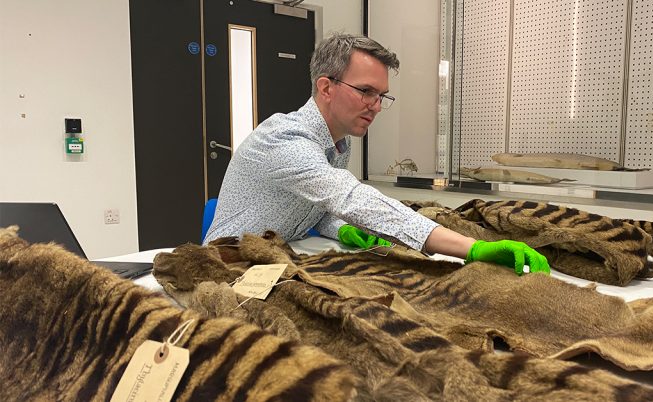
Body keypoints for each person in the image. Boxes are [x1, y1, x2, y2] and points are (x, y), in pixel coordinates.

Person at [204, 33, 549, 275]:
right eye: (366, 91)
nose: (376, 106)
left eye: (382, 95)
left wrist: (342, 230)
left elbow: (315, 208)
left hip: (275, 259)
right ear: (326, 87)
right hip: (225, 266)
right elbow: (349, 196)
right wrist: (471, 248)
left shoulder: (339, 142)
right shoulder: (284, 140)